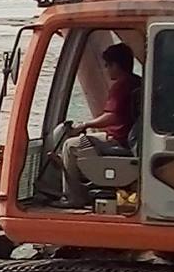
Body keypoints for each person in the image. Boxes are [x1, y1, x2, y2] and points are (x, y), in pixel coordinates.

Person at [57, 40, 140, 200]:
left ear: (116, 65)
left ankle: (72, 197)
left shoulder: (121, 86)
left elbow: (112, 116)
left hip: (118, 140)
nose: (106, 69)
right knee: (88, 139)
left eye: (107, 65)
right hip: (129, 137)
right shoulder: (137, 81)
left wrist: (86, 124)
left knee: (70, 146)